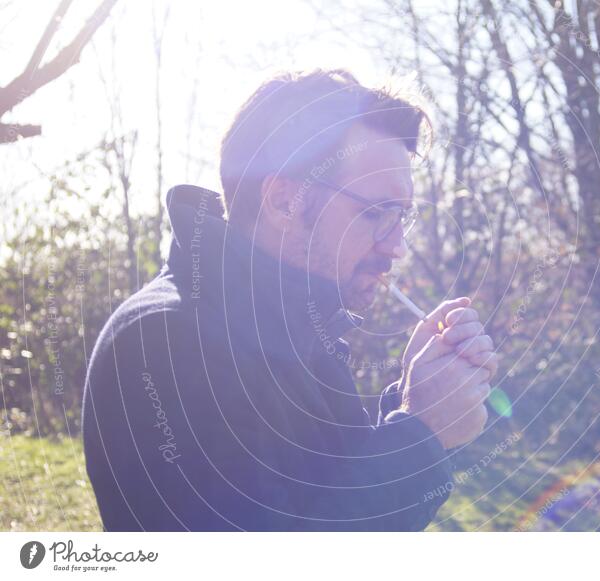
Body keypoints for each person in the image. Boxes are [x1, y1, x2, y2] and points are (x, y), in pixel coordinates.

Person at [81, 69, 498, 531]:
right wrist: (423, 433)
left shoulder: (293, 330)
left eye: (403, 216)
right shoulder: (168, 340)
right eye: (377, 212)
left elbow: (324, 493)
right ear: (284, 202)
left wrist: (411, 398)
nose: (397, 245)